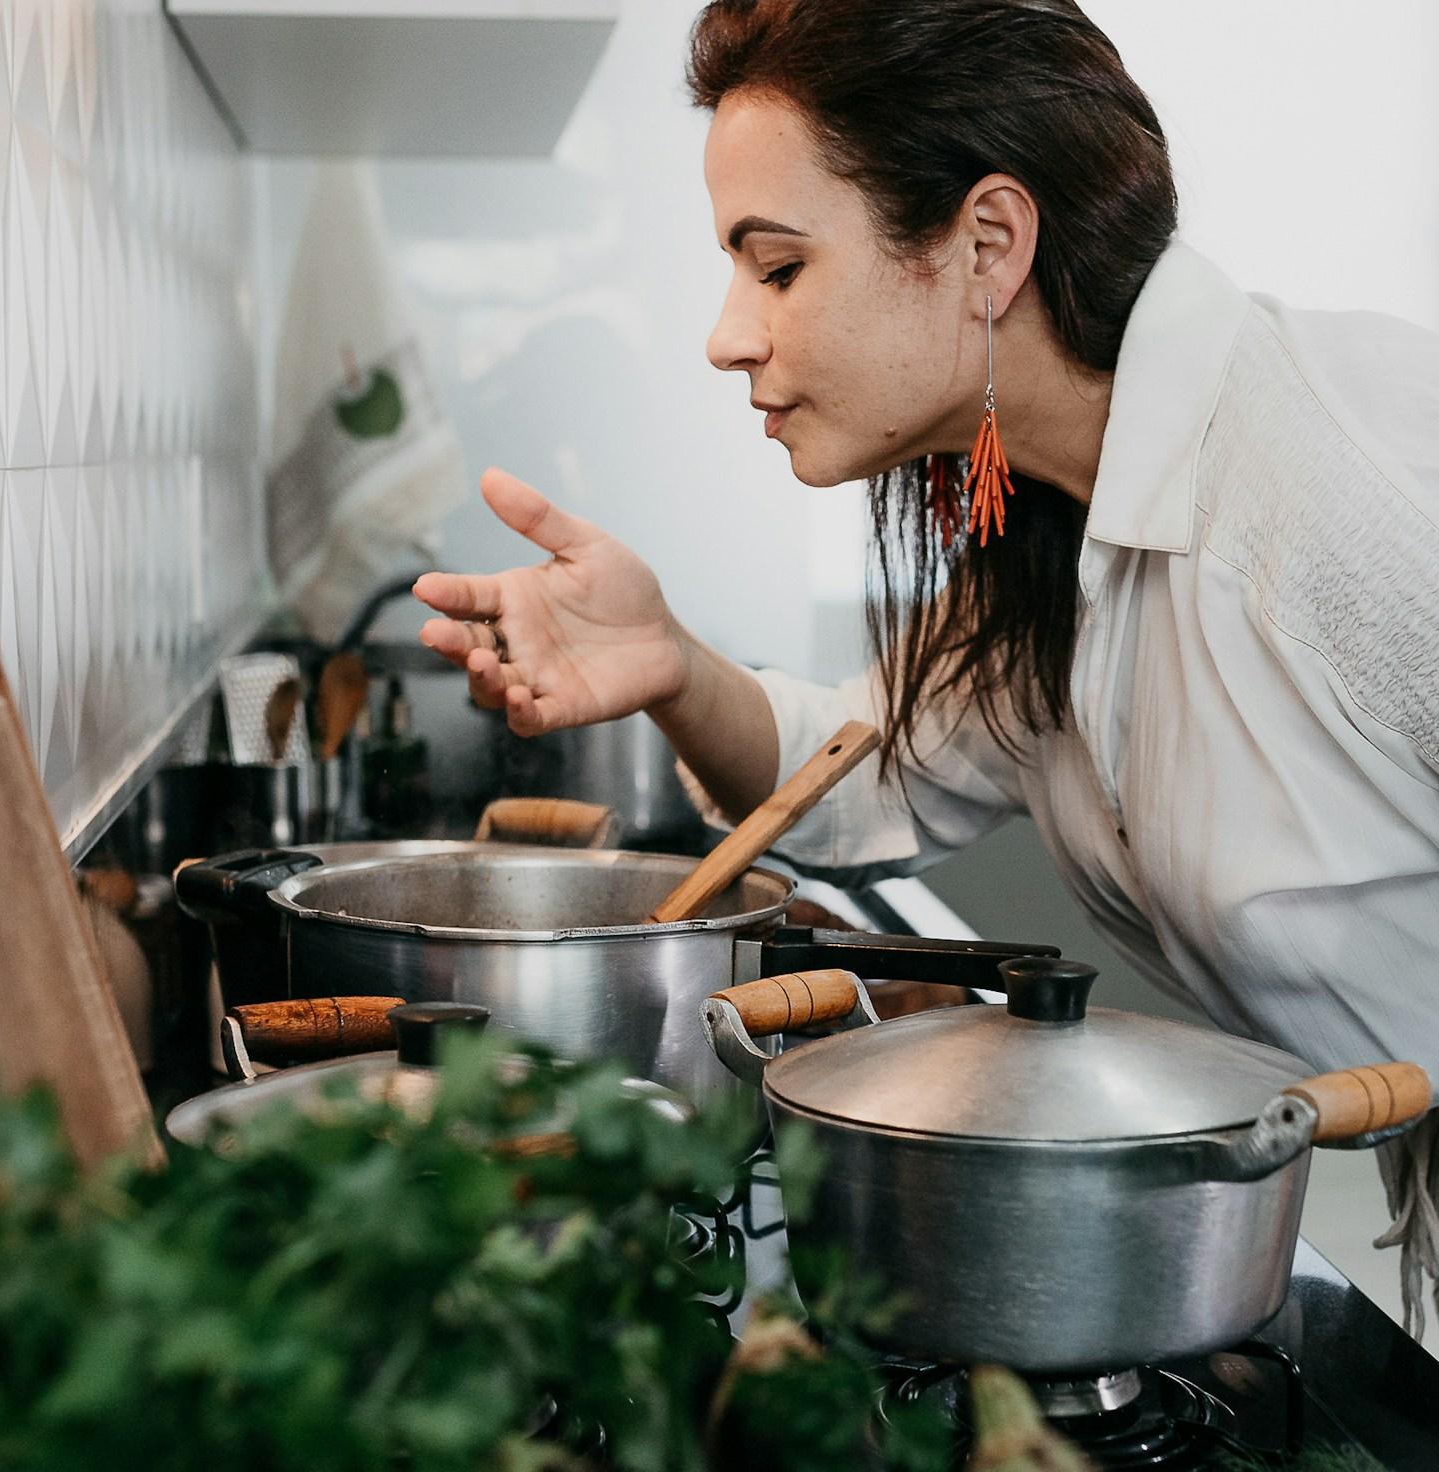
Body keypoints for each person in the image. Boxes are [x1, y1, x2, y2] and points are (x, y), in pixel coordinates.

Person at [413, 0, 1439, 1331]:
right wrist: (667, 665)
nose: (727, 334)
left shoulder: (1344, 495)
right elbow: (851, 776)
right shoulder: (1056, 531)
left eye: (776, 267)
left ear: (986, 244)